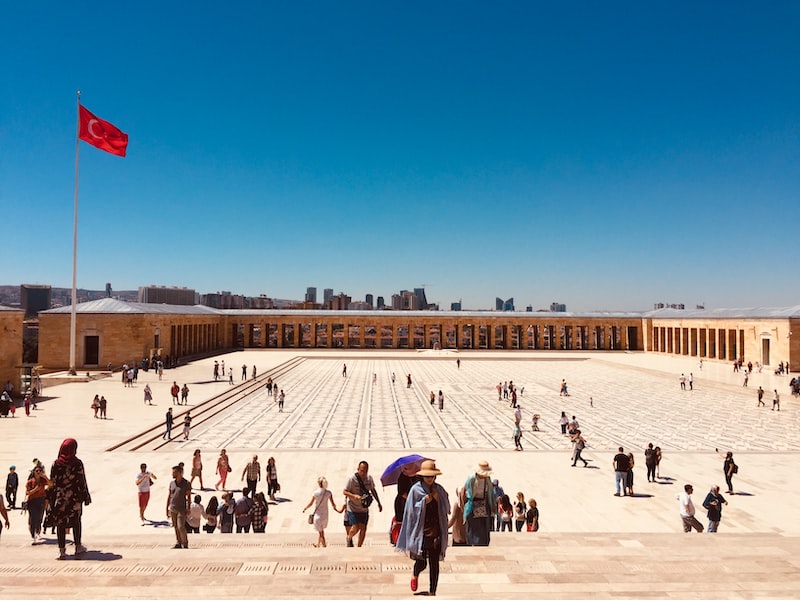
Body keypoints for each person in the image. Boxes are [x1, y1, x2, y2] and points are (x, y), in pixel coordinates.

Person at [396, 460, 450, 597]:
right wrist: (423, 503)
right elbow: (410, 511)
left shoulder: (439, 489)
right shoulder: (415, 490)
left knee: (434, 562)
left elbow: (447, 508)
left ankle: (433, 591)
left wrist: (438, 500)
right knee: (422, 562)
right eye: (427, 476)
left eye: (432, 476)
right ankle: (415, 573)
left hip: (436, 530)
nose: (430, 479)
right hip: (422, 531)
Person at [49, 438, 92, 559]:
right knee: (76, 521)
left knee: (60, 523)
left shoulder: (56, 464)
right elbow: (82, 481)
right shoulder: (77, 463)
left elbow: (52, 482)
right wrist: (86, 496)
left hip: (61, 498)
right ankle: (78, 546)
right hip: (75, 499)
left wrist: (50, 499)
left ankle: (62, 550)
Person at [343, 460, 382, 547]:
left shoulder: (369, 478)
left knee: (363, 528)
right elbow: (344, 492)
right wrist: (353, 496)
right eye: (361, 470)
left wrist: (379, 502)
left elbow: (373, 490)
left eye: (365, 471)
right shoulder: (351, 479)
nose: (363, 473)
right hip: (353, 507)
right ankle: (349, 538)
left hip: (364, 508)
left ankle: (359, 547)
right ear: (358, 469)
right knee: (355, 527)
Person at [302, 476, 341, 547]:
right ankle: (318, 544)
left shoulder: (316, 493)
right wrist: (337, 510)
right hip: (325, 515)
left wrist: (305, 508)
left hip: (318, 515)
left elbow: (311, 503)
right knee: (321, 530)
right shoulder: (328, 493)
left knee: (321, 533)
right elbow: (333, 504)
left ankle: (324, 545)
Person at [463, 460, 495, 546]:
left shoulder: (487, 479)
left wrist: (492, 504)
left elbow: (490, 492)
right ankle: (475, 542)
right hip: (473, 504)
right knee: (475, 526)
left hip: (484, 503)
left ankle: (483, 542)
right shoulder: (471, 479)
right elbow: (465, 490)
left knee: (484, 525)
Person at [166, 464, 191, 548]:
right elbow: (169, 496)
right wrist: (167, 507)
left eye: (174, 472)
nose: (172, 474)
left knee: (181, 526)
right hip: (173, 507)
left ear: (180, 473)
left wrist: (188, 508)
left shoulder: (186, 483)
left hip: (181, 509)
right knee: (176, 526)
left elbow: (189, 496)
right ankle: (178, 542)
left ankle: (185, 543)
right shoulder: (172, 483)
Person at [25, 463, 50, 544]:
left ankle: (37, 532)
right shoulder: (30, 482)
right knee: (33, 518)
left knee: (39, 517)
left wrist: (45, 477)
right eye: (37, 471)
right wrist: (35, 489)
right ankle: (33, 535)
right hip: (32, 501)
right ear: (34, 472)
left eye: (40, 471)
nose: (38, 472)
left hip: (41, 500)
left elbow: (51, 484)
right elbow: (27, 493)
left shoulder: (43, 481)